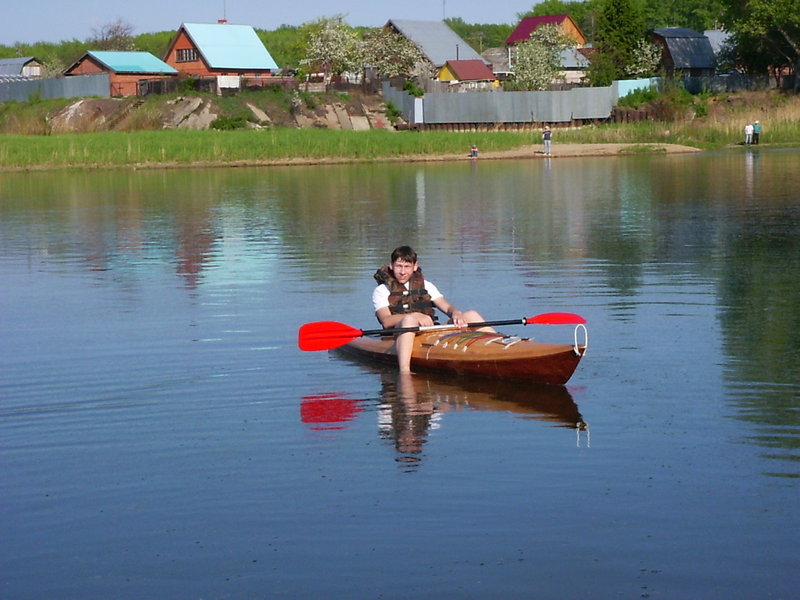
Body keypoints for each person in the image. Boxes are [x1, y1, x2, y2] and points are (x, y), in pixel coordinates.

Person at [372, 245, 493, 373]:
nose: (402, 272)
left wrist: (456, 313)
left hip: (430, 331)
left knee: (471, 315)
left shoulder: (426, 286)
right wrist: (415, 316)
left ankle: (505, 345)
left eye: (407, 267)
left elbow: (447, 307)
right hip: (400, 334)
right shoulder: (381, 290)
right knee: (409, 321)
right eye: (399, 266)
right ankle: (405, 371)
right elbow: (386, 321)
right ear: (391, 266)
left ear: (415, 267)